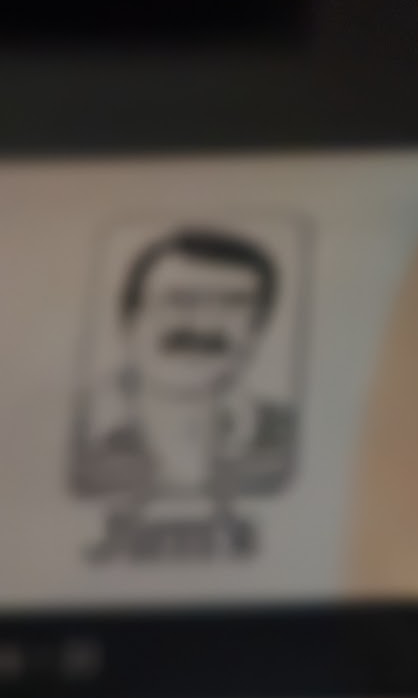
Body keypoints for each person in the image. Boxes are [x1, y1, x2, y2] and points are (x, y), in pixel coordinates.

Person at [72, 228, 296, 551]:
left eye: (233, 304)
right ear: (129, 319)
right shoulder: (67, 430)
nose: (203, 323)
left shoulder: (290, 433)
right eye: (179, 300)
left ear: (256, 332)